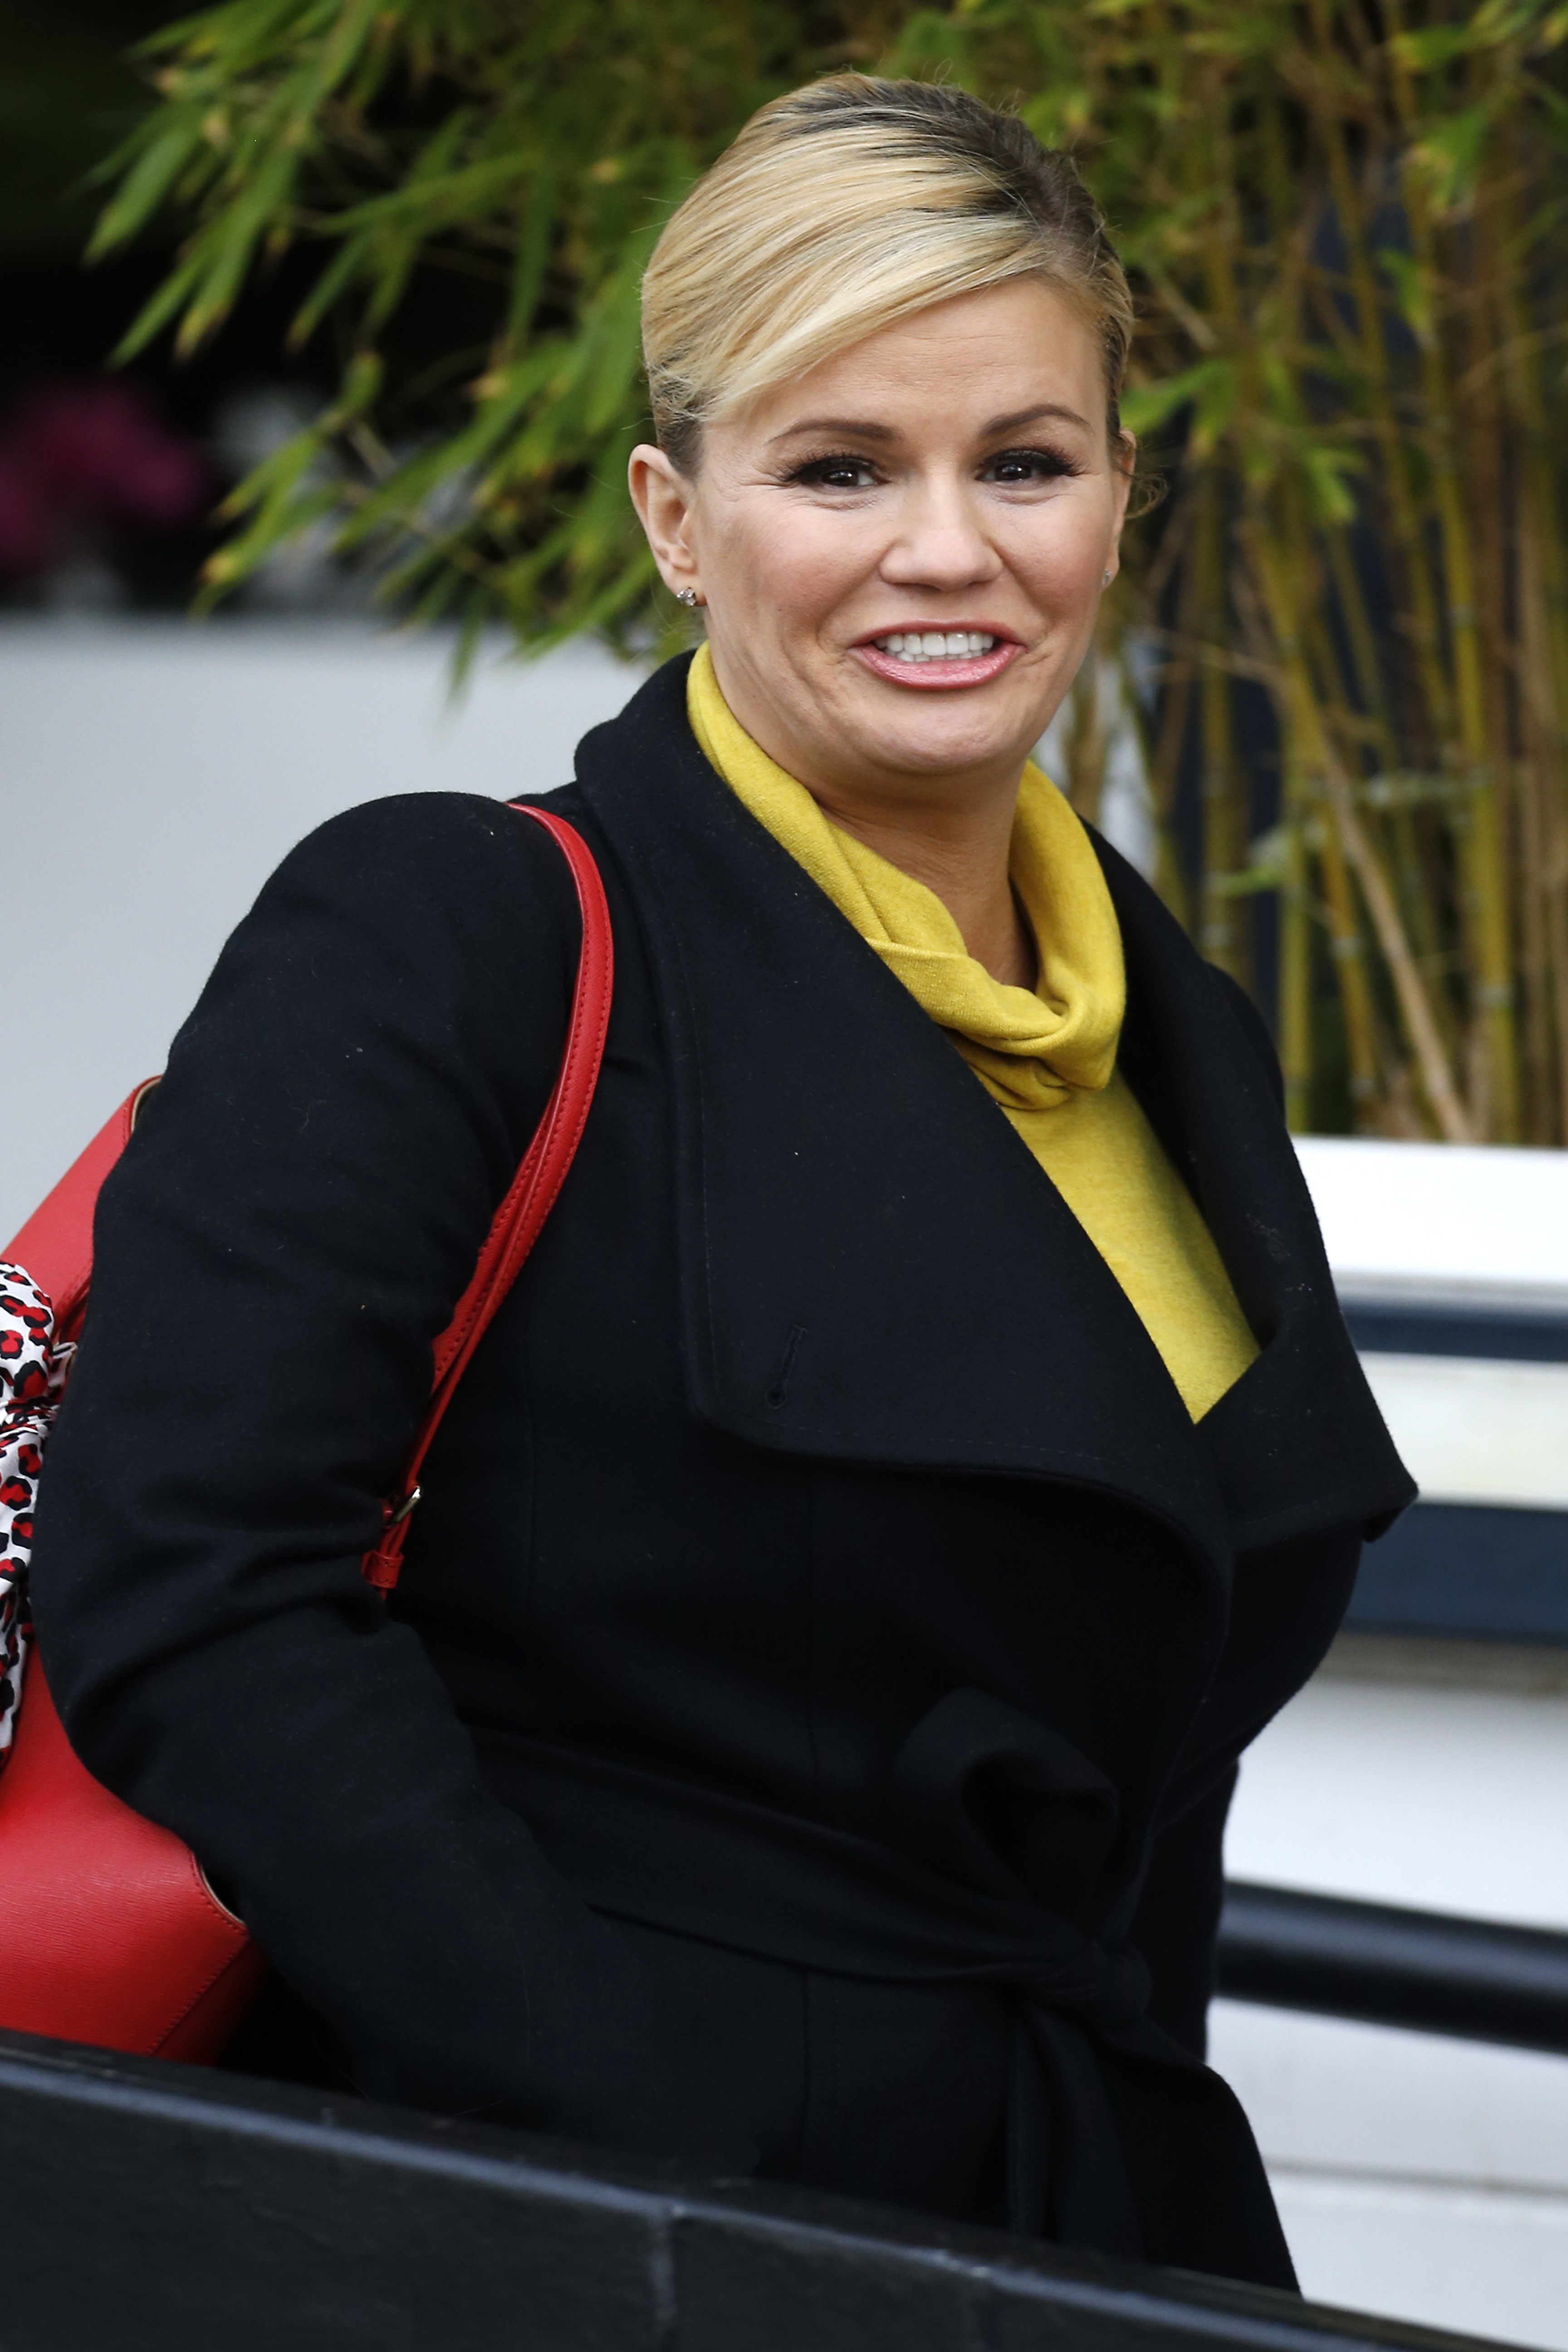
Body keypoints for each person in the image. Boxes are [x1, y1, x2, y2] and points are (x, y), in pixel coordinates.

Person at [31, 76, 1412, 2285]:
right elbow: (189, 1589)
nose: (947, 549)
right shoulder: (458, 931)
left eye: (1024, 463)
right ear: (680, 517)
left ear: (1122, 498)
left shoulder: (1176, 1033)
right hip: (573, 2217)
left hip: (1074, 2218)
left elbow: (1141, 1746)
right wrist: (648, 2141)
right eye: (842, 466)